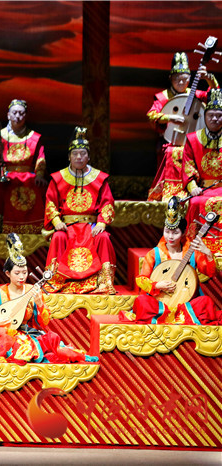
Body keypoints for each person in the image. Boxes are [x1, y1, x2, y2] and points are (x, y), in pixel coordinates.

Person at [0, 234, 95, 363]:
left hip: (27, 335)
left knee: (52, 339)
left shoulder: (33, 291)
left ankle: (78, 356)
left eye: (24, 272)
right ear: (8, 273)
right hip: (4, 335)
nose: (22, 277)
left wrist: (40, 304)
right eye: (17, 273)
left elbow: (44, 322)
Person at [120, 197, 220, 325]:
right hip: (160, 302)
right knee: (142, 301)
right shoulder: (155, 254)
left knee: (206, 302)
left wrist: (208, 253)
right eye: (167, 232)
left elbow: (210, 272)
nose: (170, 237)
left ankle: (170, 317)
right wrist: (157, 285)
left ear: (183, 233)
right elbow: (141, 279)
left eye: (175, 233)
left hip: (186, 301)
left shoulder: (192, 252)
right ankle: (179, 317)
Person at [43, 127, 117, 294]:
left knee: (103, 237)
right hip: (67, 227)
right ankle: (56, 281)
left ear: (88, 157)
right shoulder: (58, 178)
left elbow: (107, 203)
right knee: (58, 237)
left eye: (83, 153)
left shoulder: (99, 178)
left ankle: (104, 282)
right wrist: (57, 221)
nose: (78, 157)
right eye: (75, 153)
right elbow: (50, 203)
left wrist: (102, 223)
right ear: (69, 156)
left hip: (91, 227)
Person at [148, 52, 218, 201]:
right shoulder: (163, 97)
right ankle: (169, 194)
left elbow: (214, 95)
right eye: (177, 79)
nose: (181, 82)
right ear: (170, 79)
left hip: (192, 142)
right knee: (172, 153)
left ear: (190, 79)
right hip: (171, 141)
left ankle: (195, 189)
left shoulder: (195, 94)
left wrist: (209, 78)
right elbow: (151, 115)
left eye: (185, 79)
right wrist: (170, 117)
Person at [0, 99, 48, 234]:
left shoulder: (34, 137)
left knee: (40, 187)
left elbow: (40, 159)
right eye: (14, 113)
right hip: (7, 177)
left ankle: (37, 230)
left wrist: (39, 175)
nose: (18, 116)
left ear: (26, 115)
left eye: (21, 113)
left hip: (29, 177)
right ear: (8, 115)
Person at [181, 87, 222, 256]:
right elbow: (188, 166)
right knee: (196, 202)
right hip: (204, 188)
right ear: (204, 116)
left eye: (219, 115)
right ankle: (194, 250)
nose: (215, 119)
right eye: (211, 115)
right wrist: (192, 187)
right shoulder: (193, 139)